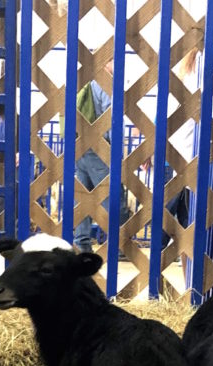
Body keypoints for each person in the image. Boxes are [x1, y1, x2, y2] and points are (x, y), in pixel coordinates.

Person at [73, 59, 129, 253]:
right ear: (106, 63)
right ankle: (121, 245)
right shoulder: (105, 84)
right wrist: (116, 153)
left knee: (83, 197)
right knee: (112, 196)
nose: (119, 63)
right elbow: (111, 118)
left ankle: (82, 244)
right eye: (114, 59)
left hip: (80, 147)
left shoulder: (85, 83)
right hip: (100, 148)